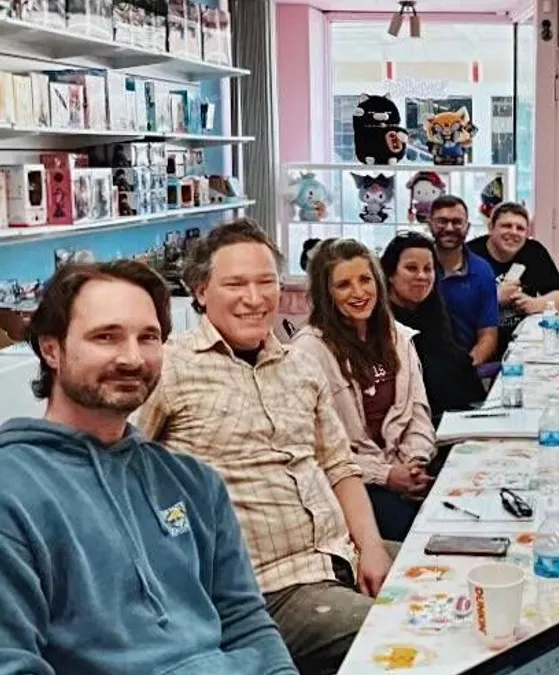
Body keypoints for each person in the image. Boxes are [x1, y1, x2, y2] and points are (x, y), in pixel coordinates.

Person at [0, 261, 296, 675]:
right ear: (52, 349)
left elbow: (247, 622)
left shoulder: (194, 483)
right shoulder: (13, 494)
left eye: (149, 338)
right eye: (107, 337)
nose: (132, 358)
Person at [135, 220, 394, 675]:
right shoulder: (169, 368)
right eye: (235, 284)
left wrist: (371, 546)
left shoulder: (299, 363)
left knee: (452, 585)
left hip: (340, 557)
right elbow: (120, 469)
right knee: (402, 639)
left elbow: (338, 465)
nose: (254, 299)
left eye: (266, 282)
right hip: (265, 589)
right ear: (199, 291)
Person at [292, 238, 436, 543]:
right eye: (344, 285)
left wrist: (414, 463)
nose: (359, 293)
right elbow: (315, 449)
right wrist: (386, 475)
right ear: (325, 292)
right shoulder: (308, 351)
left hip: (403, 466)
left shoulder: (398, 337)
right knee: (411, 529)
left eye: (365, 280)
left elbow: (419, 414)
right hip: (353, 479)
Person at [382, 232, 487, 426]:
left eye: (428, 269)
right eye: (411, 268)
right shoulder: (381, 325)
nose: (421, 276)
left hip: (462, 420)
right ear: (390, 274)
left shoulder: (435, 314)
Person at [467, 202, 559, 352]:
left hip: (524, 344)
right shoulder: (470, 254)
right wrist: (495, 297)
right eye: (506, 226)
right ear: (491, 228)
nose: (513, 232)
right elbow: (453, 307)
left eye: (520, 228)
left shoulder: (534, 251)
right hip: (478, 343)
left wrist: (535, 304)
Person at [428, 194, 500, 366]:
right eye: (442, 221)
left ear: (467, 227)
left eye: (457, 222)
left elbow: (488, 335)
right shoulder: (416, 269)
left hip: (465, 365)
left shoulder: (482, 271)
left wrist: (466, 367)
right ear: (430, 225)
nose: (450, 228)